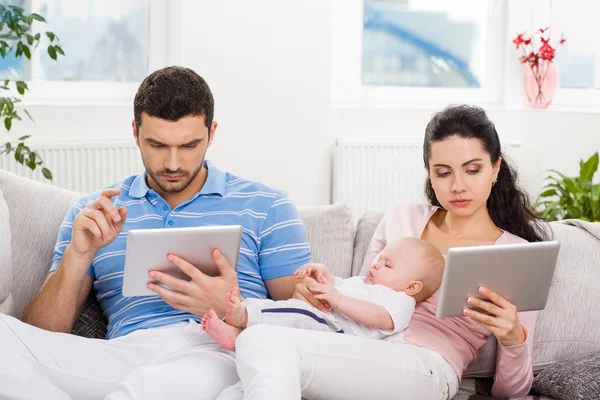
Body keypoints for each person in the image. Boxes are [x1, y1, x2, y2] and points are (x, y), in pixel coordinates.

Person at [0, 66, 312, 400]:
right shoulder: (94, 212)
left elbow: (313, 323)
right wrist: (78, 256)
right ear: (135, 132)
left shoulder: (268, 206)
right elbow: (44, 332)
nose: (174, 163)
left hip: (219, 350)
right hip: (125, 354)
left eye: (190, 145)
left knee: (153, 386)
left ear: (212, 133)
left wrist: (235, 308)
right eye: (157, 145)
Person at [220, 105, 549, 400]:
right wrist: (320, 293)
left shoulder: (516, 254)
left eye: (472, 169)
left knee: (263, 342)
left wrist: (512, 337)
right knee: (244, 375)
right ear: (429, 174)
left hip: (427, 365)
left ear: (495, 168)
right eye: (444, 172)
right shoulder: (402, 218)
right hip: (360, 347)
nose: (458, 186)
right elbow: (365, 295)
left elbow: (511, 391)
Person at [202, 237, 445, 349]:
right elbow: (341, 285)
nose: (376, 265)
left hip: (340, 334)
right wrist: (324, 276)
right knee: (283, 322)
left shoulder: (399, 300)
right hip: (326, 322)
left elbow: (379, 317)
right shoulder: (365, 283)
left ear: (412, 287)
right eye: (379, 259)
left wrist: (338, 299)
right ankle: (236, 336)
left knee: (298, 313)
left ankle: (243, 315)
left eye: (387, 265)